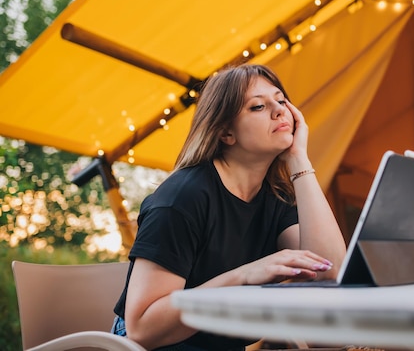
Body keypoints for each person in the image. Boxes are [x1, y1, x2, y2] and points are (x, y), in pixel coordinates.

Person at [111, 64, 347, 351]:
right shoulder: (182, 199)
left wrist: (299, 160)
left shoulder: (276, 197)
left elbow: (328, 272)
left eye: (281, 100)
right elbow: (142, 328)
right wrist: (243, 276)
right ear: (226, 133)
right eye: (258, 106)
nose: (279, 110)